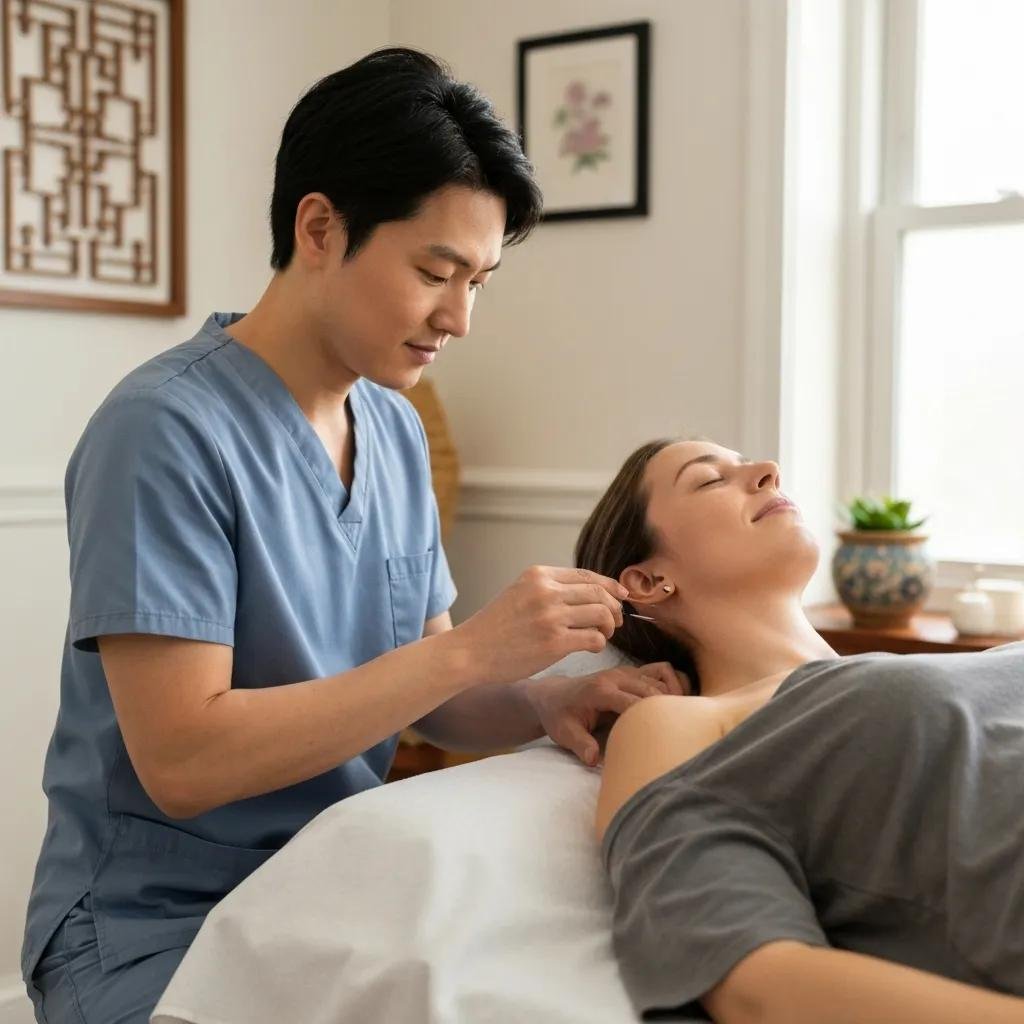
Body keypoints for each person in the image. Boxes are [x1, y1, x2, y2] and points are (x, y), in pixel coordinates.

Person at [21, 48, 685, 1024]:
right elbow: (185, 761)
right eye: (435, 272)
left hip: (322, 898)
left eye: (480, 281)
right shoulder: (162, 430)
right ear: (320, 228)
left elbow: (436, 698)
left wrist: (549, 701)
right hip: (153, 926)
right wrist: (471, 649)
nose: (459, 317)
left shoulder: (394, 430)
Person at [575, 436, 1024, 1024]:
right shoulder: (684, 723)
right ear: (647, 580)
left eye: (749, 465)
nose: (769, 470)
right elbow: (752, 981)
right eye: (710, 479)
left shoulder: (939, 667)